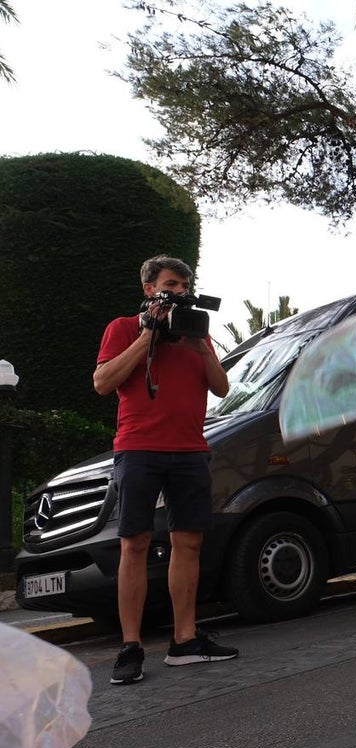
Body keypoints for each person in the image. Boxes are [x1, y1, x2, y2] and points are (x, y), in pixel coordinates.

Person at [94, 255, 238, 685]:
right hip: (138, 449)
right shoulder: (122, 327)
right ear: (148, 287)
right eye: (171, 283)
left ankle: (185, 641)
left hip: (191, 450)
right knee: (134, 544)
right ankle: (131, 646)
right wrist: (146, 337)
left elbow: (221, 387)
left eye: (184, 284)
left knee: (188, 544)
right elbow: (103, 383)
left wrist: (197, 345)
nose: (178, 290)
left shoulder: (197, 333)